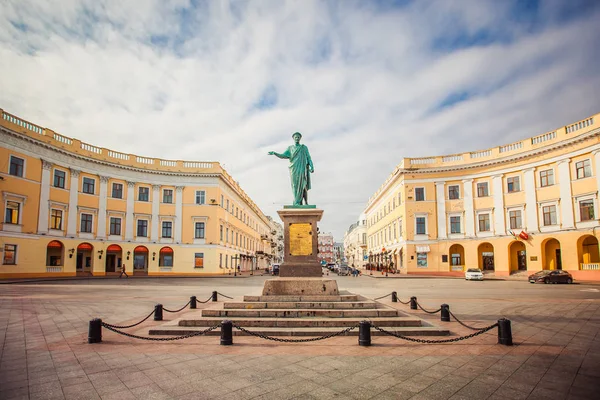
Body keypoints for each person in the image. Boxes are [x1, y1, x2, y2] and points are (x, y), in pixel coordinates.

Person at [268, 132, 314, 206]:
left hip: (302, 168)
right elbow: (283, 155)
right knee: (295, 186)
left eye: (298, 137)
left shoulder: (303, 147)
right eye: (295, 137)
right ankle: (297, 202)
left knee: (303, 185)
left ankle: (306, 202)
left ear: (300, 138)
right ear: (293, 138)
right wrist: (275, 153)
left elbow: (309, 158)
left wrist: (312, 166)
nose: (297, 138)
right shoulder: (290, 148)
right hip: (294, 169)